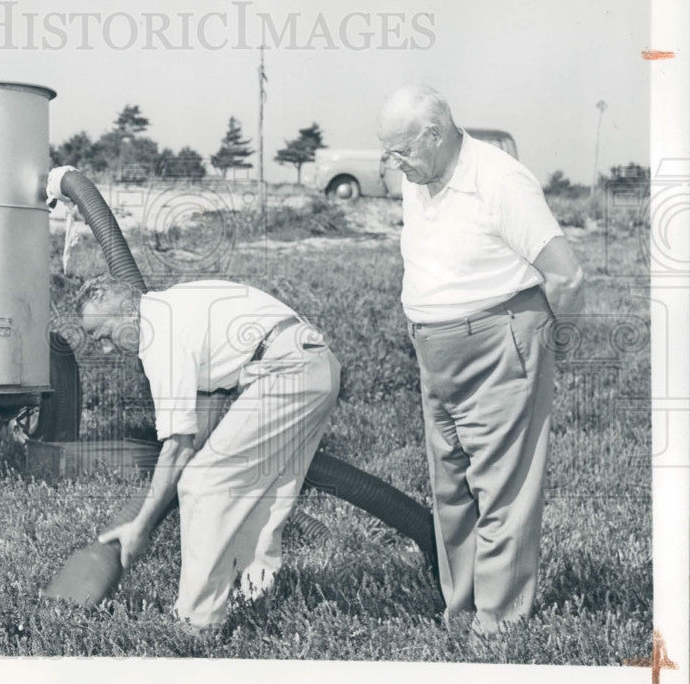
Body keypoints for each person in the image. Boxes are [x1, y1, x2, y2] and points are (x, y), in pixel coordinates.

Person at [377, 84, 584, 635]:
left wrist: (547, 354)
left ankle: (499, 627)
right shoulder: (417, 174)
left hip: (501, 345)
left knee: (503, 492)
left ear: (435, 135)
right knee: (452, 491)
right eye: (387, 153)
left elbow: (566, 275)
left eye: (401, 151)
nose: (392, 165)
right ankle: (462, 610)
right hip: (436, 352)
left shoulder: (500, 179)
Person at [76, 276, 340, 631]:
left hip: (287, 369)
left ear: (127, 310)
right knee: (255, 495)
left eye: (104, 336)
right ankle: (255, 608)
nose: (107, 350)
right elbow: (199, 421)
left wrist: (142, 526)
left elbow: (179, 446)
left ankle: (194, 626)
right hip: (313, 364)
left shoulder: (159, 334)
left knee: (202, 485)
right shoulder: (173, 308)